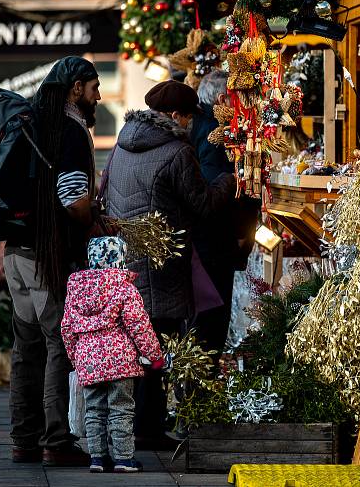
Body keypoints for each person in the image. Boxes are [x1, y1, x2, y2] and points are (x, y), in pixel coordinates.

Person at [102, 80, 235, 448]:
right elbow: (203, 203)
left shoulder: (123, 143)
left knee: (138, 342)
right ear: (177, 116)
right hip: (162, 262)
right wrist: (230, 180)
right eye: (190, 118)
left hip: (127, 258)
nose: (192, 125)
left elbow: (104, 192)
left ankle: (133, 425)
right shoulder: (177, 151)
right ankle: (147, 428)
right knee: (157, 342)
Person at [3, 56, 100, 466]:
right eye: (94, 87)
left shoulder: (32, 125)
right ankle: (55, 442)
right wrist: (94, 221)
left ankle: (23, 440)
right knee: (58, 342)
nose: (98, 96)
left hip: (16, 254)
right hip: (47, 256)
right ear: (76, 88)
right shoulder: (70, 132)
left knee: (26, 347)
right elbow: (73, 197)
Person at [61, 236, 163, 474]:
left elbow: (66, 327)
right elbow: (139, 325)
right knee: (121, 409)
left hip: (88, 361)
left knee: (94, 410)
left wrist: (75, 358)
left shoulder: (76, 288)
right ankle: (124, 459)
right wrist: (154, 355)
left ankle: (97, 458)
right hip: (120, 362)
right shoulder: (124, 287)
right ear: (122, 259)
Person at [191, 71, 259, 353]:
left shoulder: (201, 126)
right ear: (222, 99)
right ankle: (203, 387)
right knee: (211, 319)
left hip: (209, 240)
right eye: (237, 98)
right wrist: (241, 234)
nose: (242, 104)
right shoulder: (215, 136)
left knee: (206, 317)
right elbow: (214, 193)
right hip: (215, 241)